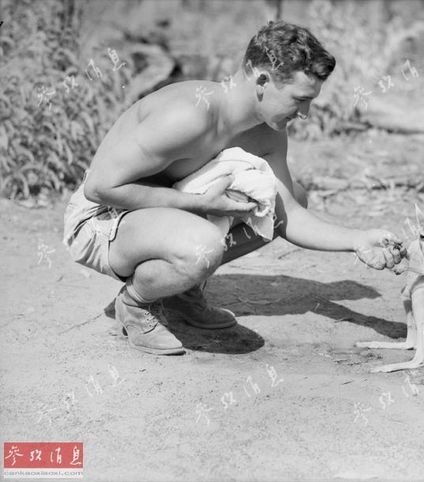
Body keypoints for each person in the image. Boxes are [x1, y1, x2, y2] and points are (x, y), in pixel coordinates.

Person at [62, 20, 405, 356]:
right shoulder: (189, 115)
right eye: (300, 99)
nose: (306, 113)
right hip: (100, 222)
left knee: (289, 197)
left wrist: (357, 240)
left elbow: (290, 216)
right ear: (262, 80)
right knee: (205, 245)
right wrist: (196, 203)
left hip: (159, 216)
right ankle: (135, 304)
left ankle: (182, 290)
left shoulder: (269, 133)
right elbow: (99, 187)